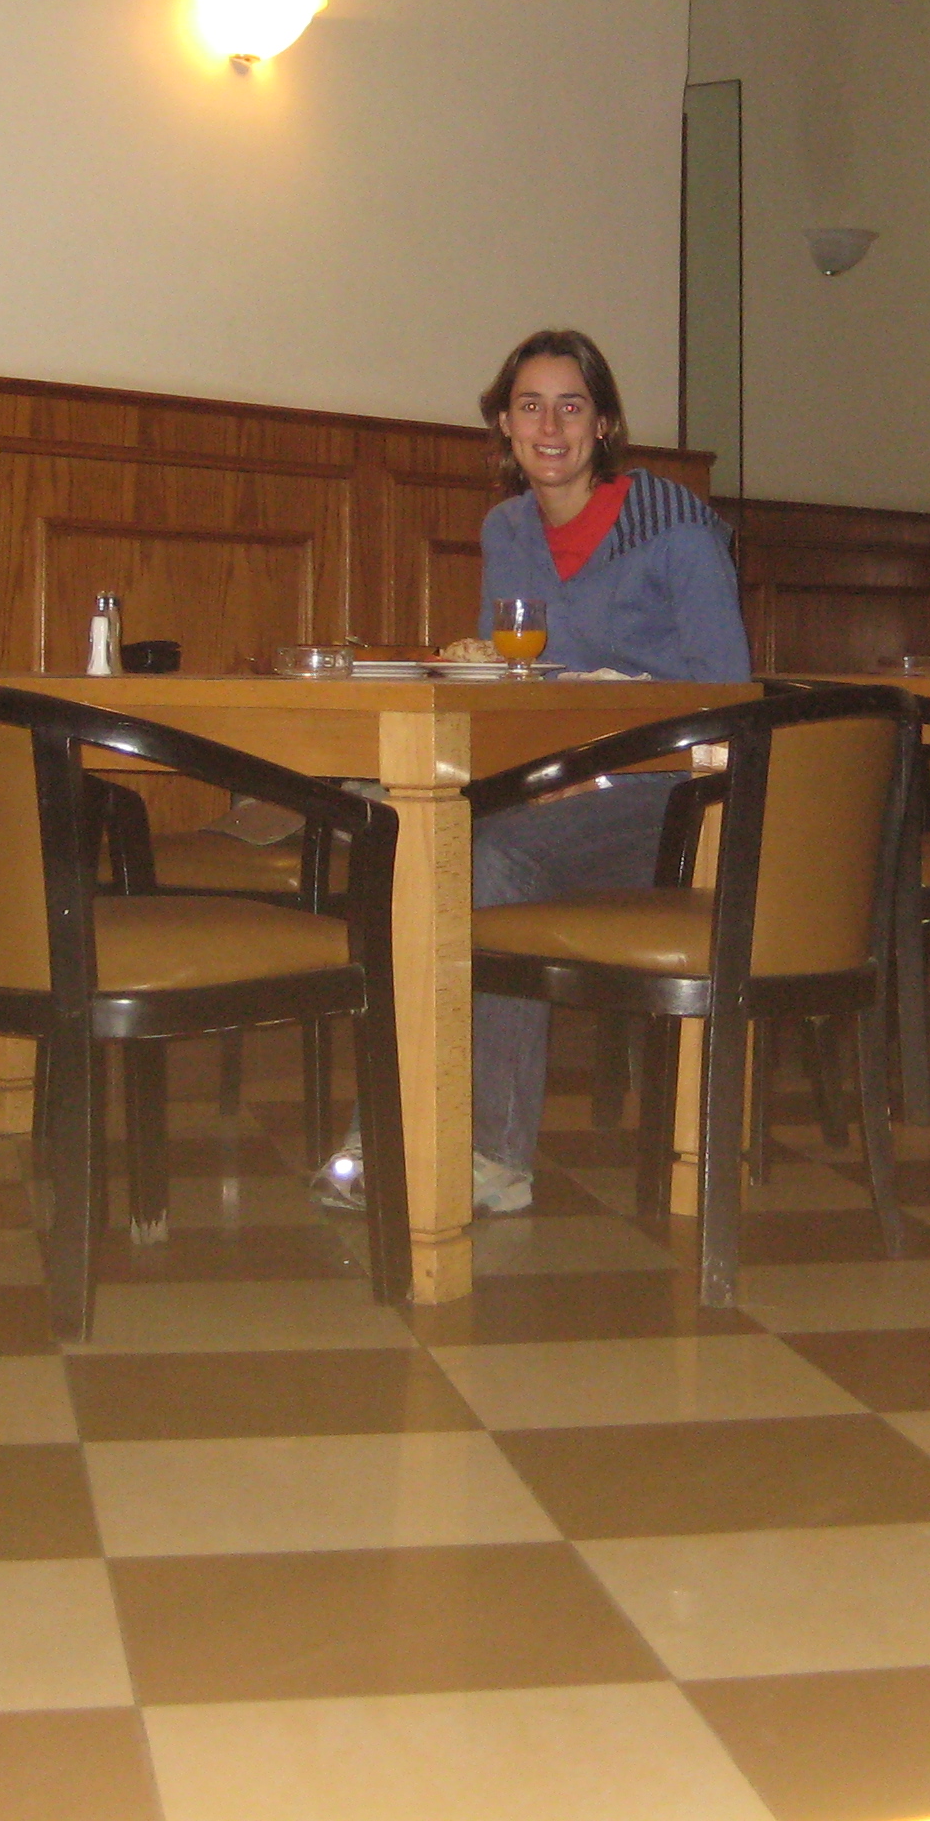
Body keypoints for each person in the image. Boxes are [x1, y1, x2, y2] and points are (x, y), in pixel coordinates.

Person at [315, 327, 750, 1217]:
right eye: (530, 407)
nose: (550, 427)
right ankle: (388, 1129)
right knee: (409, 839)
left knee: (490, 861)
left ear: (604, 424)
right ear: (504, 427)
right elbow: (512, 685)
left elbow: (729, 706)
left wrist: (594, 766)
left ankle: (492, 1156)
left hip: (667, 797)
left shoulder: (674, 529)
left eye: (571, 406)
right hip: (545, 788)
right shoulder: (507, 529)